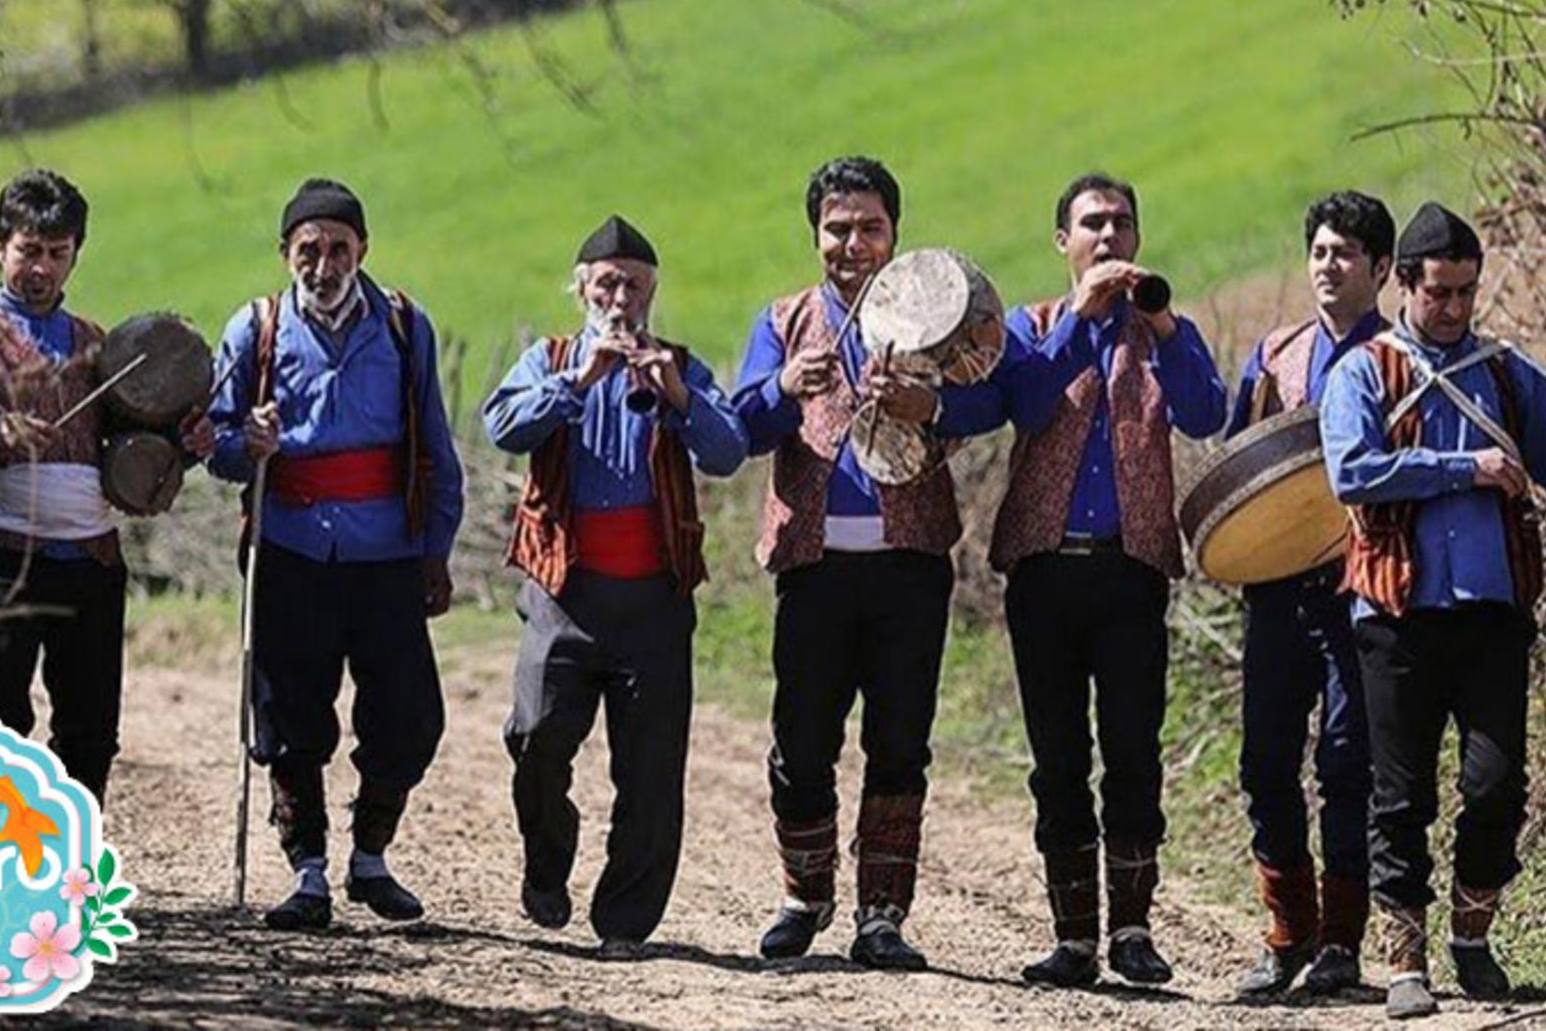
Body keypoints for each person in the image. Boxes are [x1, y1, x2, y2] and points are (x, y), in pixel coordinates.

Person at [1320, 201, 1546, 1019]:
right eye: (1439, 292)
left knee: (1497, 785)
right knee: (1401, 794)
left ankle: (1473, 936)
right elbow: (1353, 473)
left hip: (1492, 612)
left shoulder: (1510, 372)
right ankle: (1405, 961)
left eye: (1465, 293)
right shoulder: (1365, 372)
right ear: (1403, 283)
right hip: (1395, 611)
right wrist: (1465, 466)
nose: (1453, 308)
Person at [734, 156, 1016, 971]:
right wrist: (785, 386)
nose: (852, 244)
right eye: (837, 229)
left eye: (869, 228)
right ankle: (805, 892)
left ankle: (882, 914)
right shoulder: (783, 322)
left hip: (911, 564)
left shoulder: (939, 310)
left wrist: (929, 406)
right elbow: (741, 430)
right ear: (815, 234)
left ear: (895, 233)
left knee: (900, 744)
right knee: (802, 738)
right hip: (813, 567)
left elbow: (995, 397)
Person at [0, 168, 213, 804]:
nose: (41, 268)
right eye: (28, 251)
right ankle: (0, 874)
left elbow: (134, 460)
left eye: (56, 253)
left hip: (91, 562)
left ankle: (73, 873)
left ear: (74, 253)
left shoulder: (100, 348)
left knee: (91, 731)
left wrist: (186, 449)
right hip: (1, 559)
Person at [484, 214, 746, 958]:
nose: (621, 298)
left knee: (652, 769)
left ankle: (626, 921)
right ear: (582, 291)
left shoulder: (681, 367)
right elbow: (504, 425)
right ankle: (547, 865)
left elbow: (727, 452)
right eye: (607, 284)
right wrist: (580, 381)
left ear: (652, 292)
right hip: (565, 595)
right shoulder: (553, 357)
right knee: (535, 739)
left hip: (655, 603)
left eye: (634, 286)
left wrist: (676, 396)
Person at [987, 172, 1226, 989]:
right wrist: (1079, 322)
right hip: (1044, 570)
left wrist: (1162, 324)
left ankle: (1131, 930)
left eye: (1123, 223)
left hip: (1131, 570)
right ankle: (1073, 939)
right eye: (1093, 224)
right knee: (1057, 758)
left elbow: (1205, 413)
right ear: (1064, 242)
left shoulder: (1162, 334)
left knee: (1132, 751)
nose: (1110, 237)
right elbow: (1019, 401)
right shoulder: (1032, 327)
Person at [208, 177, 464, 931]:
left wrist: (437, 549)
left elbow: (438, 452)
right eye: (309, 250)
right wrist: (242, 444)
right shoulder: (253, 331)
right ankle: (309, 871)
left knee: (411, 714)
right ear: (286, 253)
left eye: (339, 249)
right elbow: (213, 444)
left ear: (363, 251)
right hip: (289, 550)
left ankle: (371, 858)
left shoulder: (403, 326)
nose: (324, 266)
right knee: (289, 715)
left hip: (386, 553)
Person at [1226, 191, 1395, 999]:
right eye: (1321, 252)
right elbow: (1238, 466)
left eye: (1347, 254)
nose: (1329, 266)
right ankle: (1286, 933)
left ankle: (1343, 944)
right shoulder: (1276, 355)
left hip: (1363, 597)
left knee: (1347, 764)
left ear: (1383, 270)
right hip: (1275, 593)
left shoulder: (1403, 358)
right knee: (1263, 762)